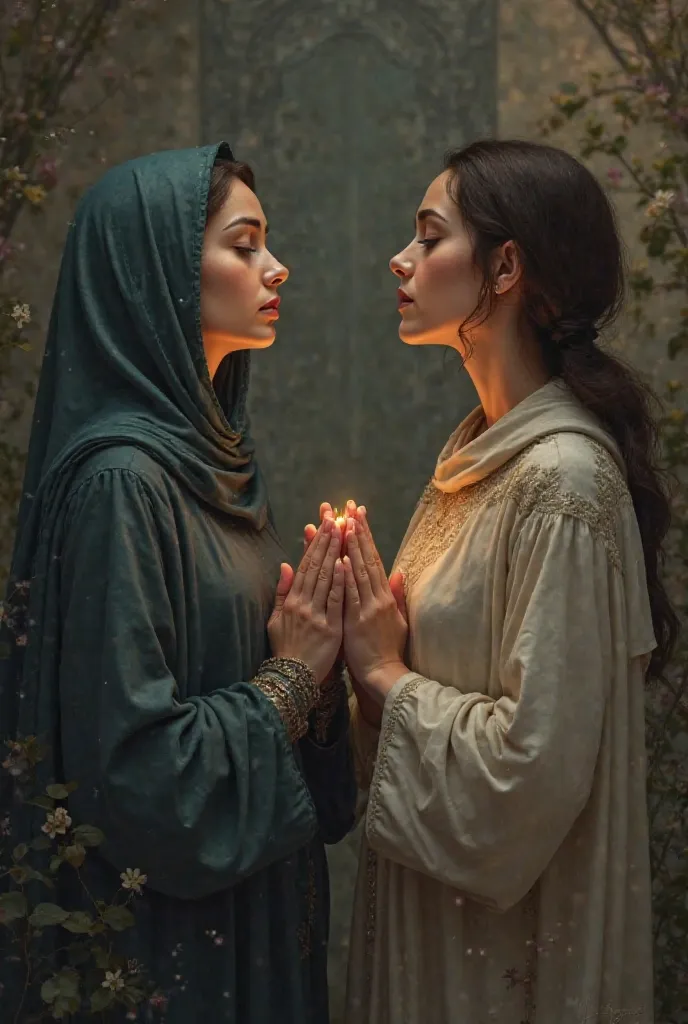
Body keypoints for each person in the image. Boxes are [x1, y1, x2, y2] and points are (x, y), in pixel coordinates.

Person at [0, 142, 356, 1023]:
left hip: (249, 909)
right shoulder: (123, 483)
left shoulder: (213, 466)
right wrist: (293, 675)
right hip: (170, 945)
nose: (276, 267)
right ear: (154, 266)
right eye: (244, 244)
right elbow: (131, 772)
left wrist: (327, 650)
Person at [337, 139, 677, 1024]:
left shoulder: (561, 482)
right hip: (433, 920)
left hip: (508, 955)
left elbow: (532, 773)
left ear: (507, 267)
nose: (400, 259)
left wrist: (379, 674)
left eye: (429, 235)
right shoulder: (474, 461)